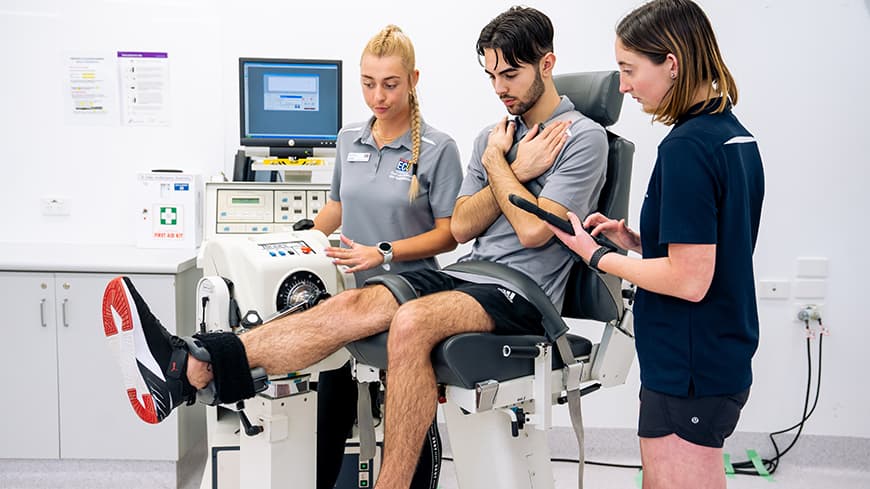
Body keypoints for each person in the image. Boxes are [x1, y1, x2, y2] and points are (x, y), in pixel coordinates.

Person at [101, 6, 607, 489]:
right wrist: (510, 162)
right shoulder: (492, 137)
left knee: (410, 322)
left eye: (511, 76)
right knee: (350, 304)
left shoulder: (582, 138)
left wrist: (499, 166)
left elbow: (534, 231)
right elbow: (466, 226)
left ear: (548, 64)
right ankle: (189, 366)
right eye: (492, 76)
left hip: (524, 293)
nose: (500, 89)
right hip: (468, 274)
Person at [548, 1, 764, 488]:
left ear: (671, 62)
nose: (623, 85)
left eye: (629, 70)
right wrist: (639, 240)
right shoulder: (732, 137)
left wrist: (597, 255)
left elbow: (689, 280)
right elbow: (717, 246)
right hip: (713, 351)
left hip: (691, 361)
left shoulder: (687, 147)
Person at [310, 25, 462, 489]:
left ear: (413, 79)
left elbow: (449, 234)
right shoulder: (347, 137)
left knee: (407, 413)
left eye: (390, 84)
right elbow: (337, 207)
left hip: (410, 295)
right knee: (328, 403)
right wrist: (296, 241)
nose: (378, 96)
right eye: (368, 83)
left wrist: (384, 253)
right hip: (350, 293)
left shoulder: (439, 149)